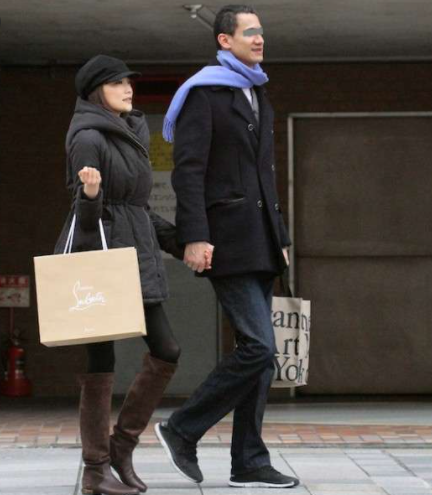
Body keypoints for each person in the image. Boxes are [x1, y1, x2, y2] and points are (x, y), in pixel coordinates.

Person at [155, 4, 300, 490]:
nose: (260, 39)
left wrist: (280, 237)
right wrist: (195, 235)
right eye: (250, 32)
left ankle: (249, 461)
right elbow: (189, 171)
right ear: (224, 40)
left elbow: (265, 176)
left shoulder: (257, 93)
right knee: (259, 347)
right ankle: (181, 428)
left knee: (260, 355)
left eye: (262, 32)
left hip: (261, 241)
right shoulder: (205, 93)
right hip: (226, 240)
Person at [55, 55, 188, 495]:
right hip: (101, 258)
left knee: (167, 349)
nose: (128, 88)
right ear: (97, 91)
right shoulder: (87, 136)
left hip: (135, 253)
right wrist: (91, 193)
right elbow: (83, 214)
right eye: (117, 83)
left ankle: (121, 448)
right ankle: (96, 468)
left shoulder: (130, 131)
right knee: (101, 360)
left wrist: (181, 243)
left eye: (129, 81)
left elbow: (138, 208)